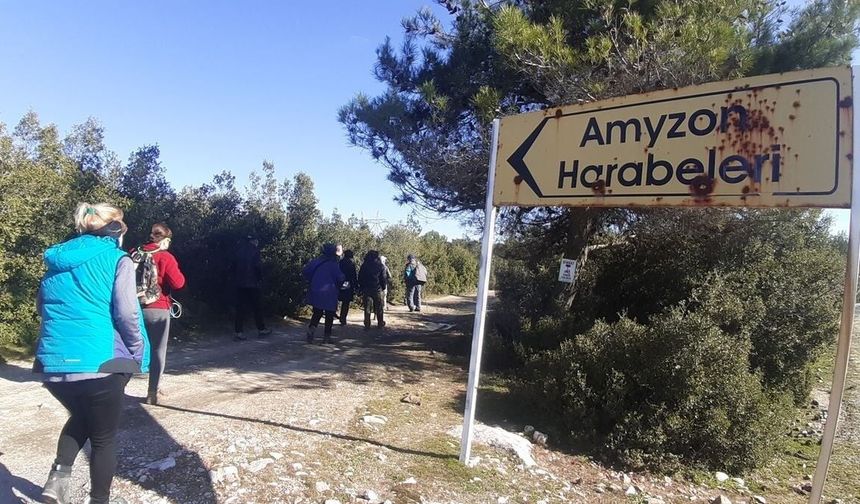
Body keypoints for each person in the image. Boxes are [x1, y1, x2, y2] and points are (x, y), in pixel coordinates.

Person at [34, 202, 149, 504]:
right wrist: (138, 354)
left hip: (51, 365)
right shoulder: (116, 259)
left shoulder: (56, 261)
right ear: (115, 229)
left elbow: (42, 309)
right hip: (98, 361)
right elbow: (127, 315)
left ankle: (57, 481)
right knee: (103, 438)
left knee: (83, 416)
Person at [131, 223, 185, 406]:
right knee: (157, 350)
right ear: (166, 240)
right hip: (157, 308)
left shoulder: (133, 253)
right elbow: (178, 283)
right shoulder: (165, 257)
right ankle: (152, 391)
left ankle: (115, 389)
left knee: (127, 349)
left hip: (132, 308)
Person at [232, 235, 272, 341]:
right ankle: (261, 329)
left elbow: (233, 266)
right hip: (252, 284)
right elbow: (257, 267)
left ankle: (238, 331)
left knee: (240, 308)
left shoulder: (239, 250)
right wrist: (261, 279)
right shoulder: (255, 251)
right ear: (254, 241)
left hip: (239, 283)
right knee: (257, 307)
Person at [303, 243, 345, 344]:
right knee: (330, 314)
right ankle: (326, 337)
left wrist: (312, 281)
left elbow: (305, 271)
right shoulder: (334, 265)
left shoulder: (316, 262)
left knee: (317, 312)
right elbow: (340, 278)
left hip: (315, 290)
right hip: (329, 292)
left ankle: (311, 330)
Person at [358, 250, 390, 329]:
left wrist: (361, 287)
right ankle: (380, 323)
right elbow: (383, 278)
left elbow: (360, 277)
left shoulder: (364, 265)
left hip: (366, 289)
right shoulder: (380, 266)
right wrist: (383, 287)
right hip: (377, 289)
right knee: (379, 307)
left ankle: (367, 323)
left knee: (367, 307)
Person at [338, 249, 358, 325]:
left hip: (339, 282)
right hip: (348, 283)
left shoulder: (340, 262)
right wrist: (356, 286)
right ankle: (343, 318)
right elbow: (353, 275)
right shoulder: (351, 263)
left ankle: (333, 314)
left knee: (336, 299)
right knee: (345, 302)